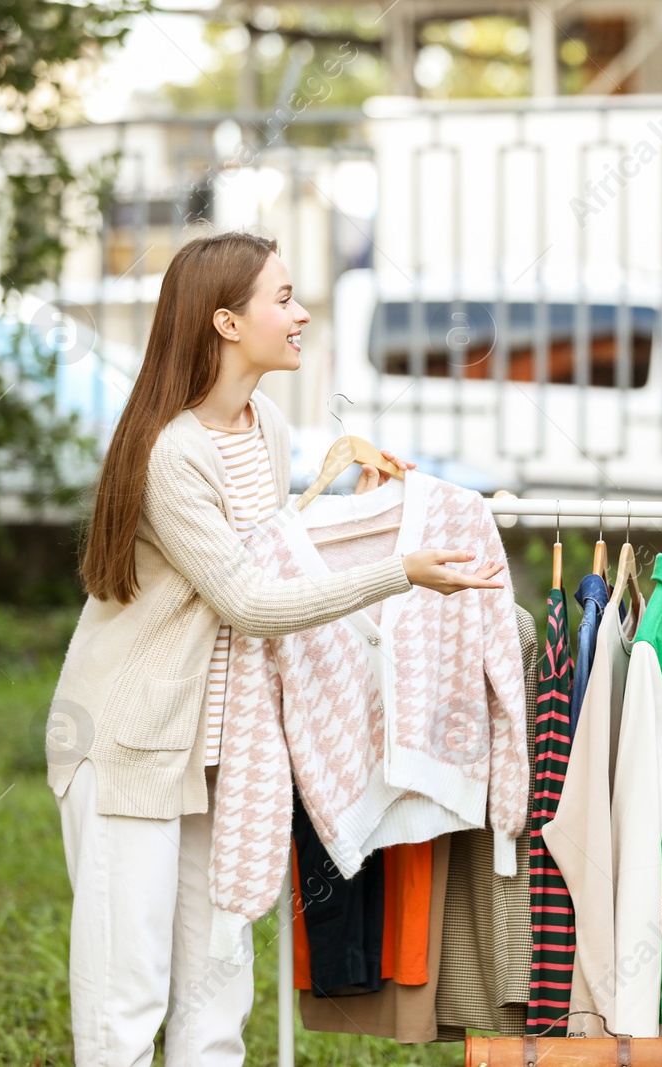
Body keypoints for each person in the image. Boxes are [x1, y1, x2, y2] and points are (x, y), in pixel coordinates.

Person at [47, 230, 505, 1066]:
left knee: (218, 994)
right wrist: (398, 572)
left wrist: (359, 506)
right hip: (128, 744)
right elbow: (250, 600)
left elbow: (271, 550)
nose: (300, 315)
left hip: (225, 754)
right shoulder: (168, 452)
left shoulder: (268, 428)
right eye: (283, 298)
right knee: (127, 999)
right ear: (226, 321)